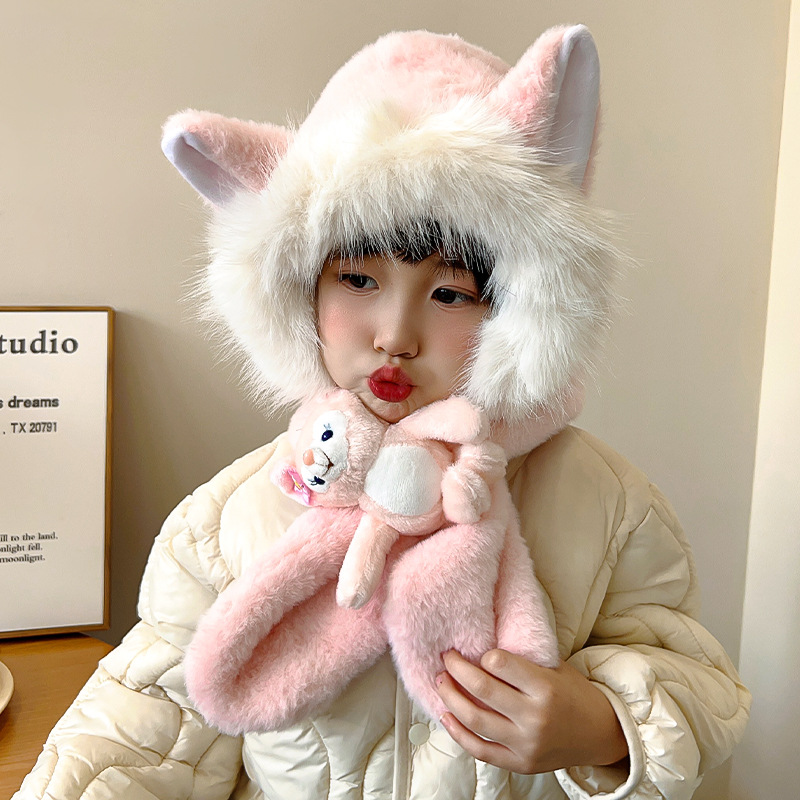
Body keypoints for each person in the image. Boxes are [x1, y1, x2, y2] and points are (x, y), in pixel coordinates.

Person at [14, 24, 749, 800]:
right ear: (298, 289)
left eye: (451, 293)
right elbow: (143, 728)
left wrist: (604, 727)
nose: (395, 336)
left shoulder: (609, 506)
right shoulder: (228, 519)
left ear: (523, 308)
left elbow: (698, 683)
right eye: (358, 281)